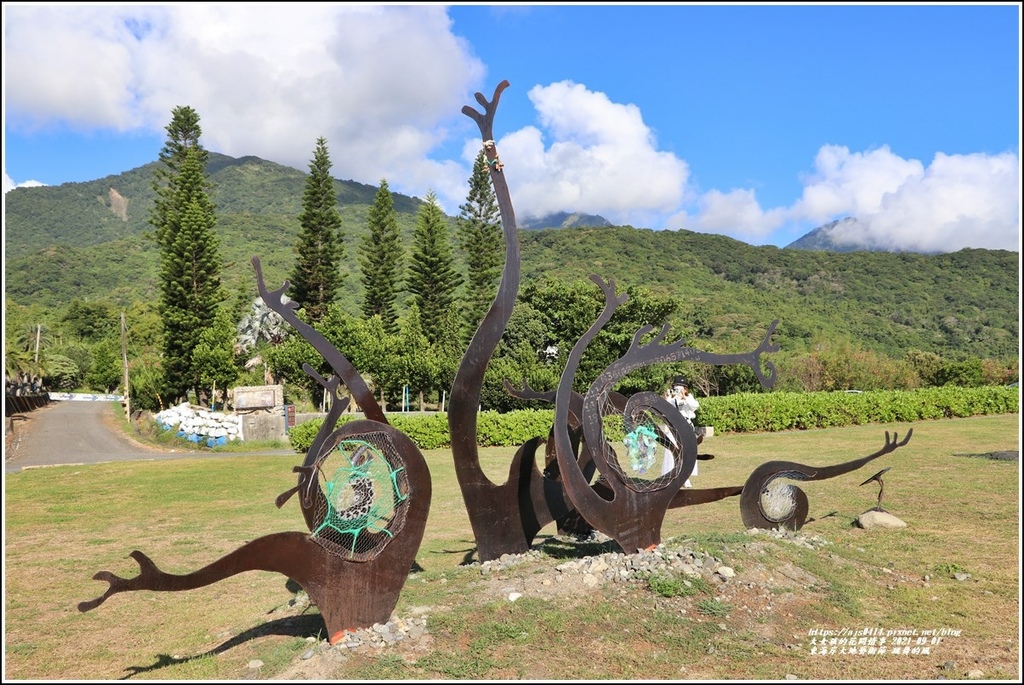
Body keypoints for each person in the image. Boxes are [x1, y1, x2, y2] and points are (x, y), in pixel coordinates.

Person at [662, 377, 700, 487]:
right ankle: (671, 476)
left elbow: (695, 406)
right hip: (673, 428)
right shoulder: (671, 398)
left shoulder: (689, 398)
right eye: (676, 387)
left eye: (680, 387)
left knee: (687, 452)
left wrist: (685, 397)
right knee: (671, 452)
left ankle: (686, 477)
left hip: (687, 427)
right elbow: (665, 411)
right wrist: (667, 399)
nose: (678, 389)